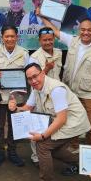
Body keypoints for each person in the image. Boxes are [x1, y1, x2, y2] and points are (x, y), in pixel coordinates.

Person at [8, 63, 90, 181]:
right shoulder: (36, 88)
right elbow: (28, 108)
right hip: (59, 121)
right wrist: (15, 108)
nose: (33, 81)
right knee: (55, 149)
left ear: (43, 73)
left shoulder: (56, 89)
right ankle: (80, 163)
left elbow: (62, 119)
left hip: (72, 123)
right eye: (29, 79)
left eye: (35, 76)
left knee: (43, 145)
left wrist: (42, 135)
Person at [39, 12, 91, 147]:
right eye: (83, 29)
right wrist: (42, 17)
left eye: (89, 30)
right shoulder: (72, 41)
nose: (86, 32)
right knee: (72, 124)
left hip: (89, 94)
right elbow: (55, 31)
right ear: (78, 30)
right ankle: (73, 154)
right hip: (70, 92)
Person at [0, 25, 29, 167]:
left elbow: (28, 74)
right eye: (7, 36)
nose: (10, 39)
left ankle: (13, 152)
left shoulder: (24, 53)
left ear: (17, 37)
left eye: (12, 36)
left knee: (15, 126)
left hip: (16, 97)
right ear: (2, 37)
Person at [28, 27, 63, 166]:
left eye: (50, 39)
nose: (48, 42)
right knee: (37, 125)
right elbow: (32, 79)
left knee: (54, 124)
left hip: (55, 94)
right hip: (39, 95)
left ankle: (49, 153)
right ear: (39, 40)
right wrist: (46, 69)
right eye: (45, 40)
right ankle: (36, 157)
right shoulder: (34, 57)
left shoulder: (59, 53)